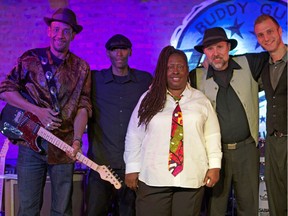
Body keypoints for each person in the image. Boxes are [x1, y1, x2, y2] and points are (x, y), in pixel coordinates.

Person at [0, 8, 91, 216]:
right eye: (56, 29)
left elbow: (83, 107)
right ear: (49, 31)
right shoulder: (30, 59)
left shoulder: (82, 68)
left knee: (62, 211)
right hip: (30, 146)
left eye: (66, 31)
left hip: (64, 146)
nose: (60, 35)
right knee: (28, 210)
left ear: (73, 35)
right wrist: (36, 111)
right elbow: (5, 91)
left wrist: (77, 141)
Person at [124, 45, 222, 216]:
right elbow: (134, 135)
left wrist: (214, 166)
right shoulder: (148, 99)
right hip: (153, 179)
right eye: (170, 67)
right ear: (163, 71)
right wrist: (132, 167)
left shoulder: (201, 101)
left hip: (190, 179)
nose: (175, 71)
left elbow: (212, 136)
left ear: (187, 70)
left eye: (180, 67)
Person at [189, 27, 269, 216]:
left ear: (228, 47)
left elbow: (278, 53)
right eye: (209, 49)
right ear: (204, 53)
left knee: (248, 206)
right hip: (215, 155)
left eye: (220, 46)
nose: (215, 53)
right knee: (215, 207)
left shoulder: (249, 62)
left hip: (247, 150)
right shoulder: (196, 77)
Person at [86, 34, 153, 216]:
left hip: (130, 166)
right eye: (114, 49)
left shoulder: (144, 80)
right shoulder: (95, 80)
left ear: (130, 52)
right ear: (108, 53)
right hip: (100, 165)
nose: (119, 53)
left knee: (129, 213)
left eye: (123, 49)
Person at [254, 14, 287, 216]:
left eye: (269, 32)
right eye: (260, 35)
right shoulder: (262, 66)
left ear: (280, 31)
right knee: (276, 198)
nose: (266, 38)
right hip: (273, 142)